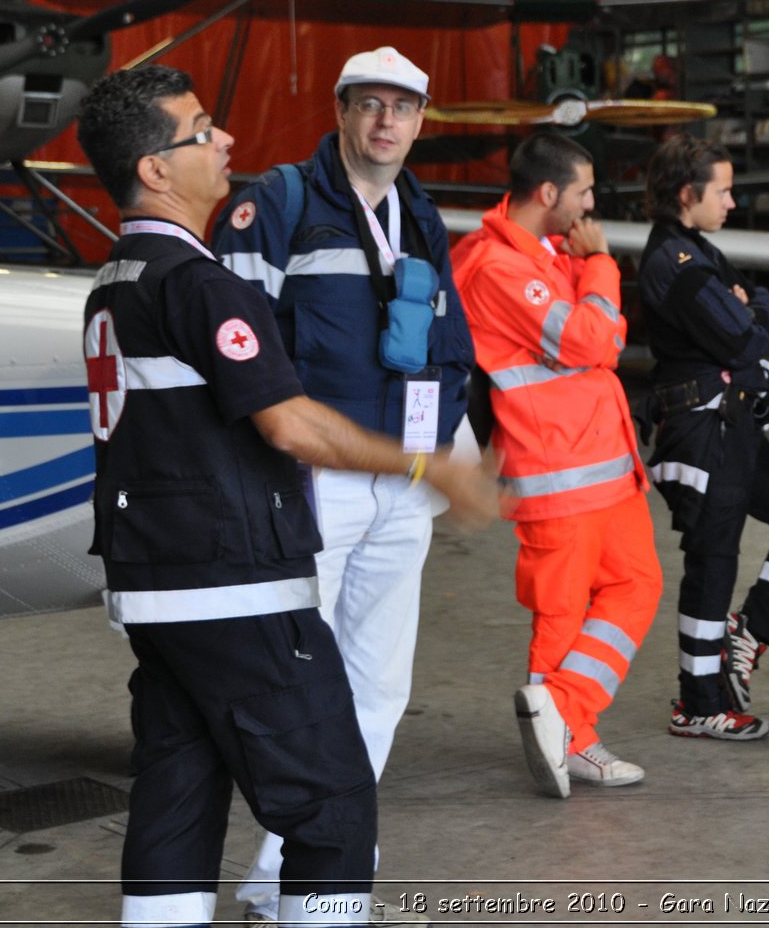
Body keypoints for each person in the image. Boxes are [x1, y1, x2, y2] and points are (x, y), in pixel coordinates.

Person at [77, 66, 497, 926]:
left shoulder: (113, 280)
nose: (225, 140)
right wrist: (431, 467)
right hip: (231, 584)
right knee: (333, 802)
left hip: (155, 584)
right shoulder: (197, 283)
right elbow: (291, 424)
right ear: (156, 170)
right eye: (200, 130)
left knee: (180, 792)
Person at [208, 46, 478, 922]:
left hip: (402, 482)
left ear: (420, 121)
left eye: (403, 108)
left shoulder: (424, 217)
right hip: (310, 482)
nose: (386, 122)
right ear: (340, 109)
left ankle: (312, 884)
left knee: (377, 687)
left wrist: (442, 453)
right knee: (294, 689)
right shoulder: (277, 205)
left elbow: (451, 347)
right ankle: (308, 881)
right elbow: (232, 352)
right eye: (370, 104)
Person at [452, 133, 663, 797]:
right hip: (556, 471)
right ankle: (570, 737)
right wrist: (600, 265)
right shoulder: (495, 267)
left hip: (603, 463)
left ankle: (562, 716)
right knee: (561, 613)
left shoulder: (542, 253)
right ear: (549, 194)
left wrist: (587, 280)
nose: (592, 205)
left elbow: (595, 340)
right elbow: (592, 338)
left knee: (637, 585)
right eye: (584, 192)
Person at [637, 135, 769, 739]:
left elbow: (758, 308)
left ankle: (749, 634)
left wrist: (751, 309)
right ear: (687, 195)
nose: (733, 201)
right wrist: (749, 315)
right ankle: (699, 703)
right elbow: (745, 338)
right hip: (701, 432)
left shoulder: (698, 251)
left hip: (729, 428)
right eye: (722, 190)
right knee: (712, 564)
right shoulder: (676, 260)